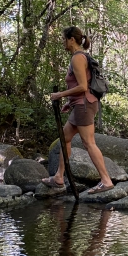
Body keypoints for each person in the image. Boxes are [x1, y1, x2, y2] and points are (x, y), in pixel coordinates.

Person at [42, 26, 114, 194]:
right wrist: (71, 102)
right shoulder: (80, 57)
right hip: (80, 105)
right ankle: (59, 177)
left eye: (63, 39)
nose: (62, 42)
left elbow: (82, 86)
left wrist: (60, 95)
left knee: (89, 143)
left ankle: (106, 180)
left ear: (71, 40)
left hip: (84, 105)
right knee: (65, 138)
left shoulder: (78, 58)